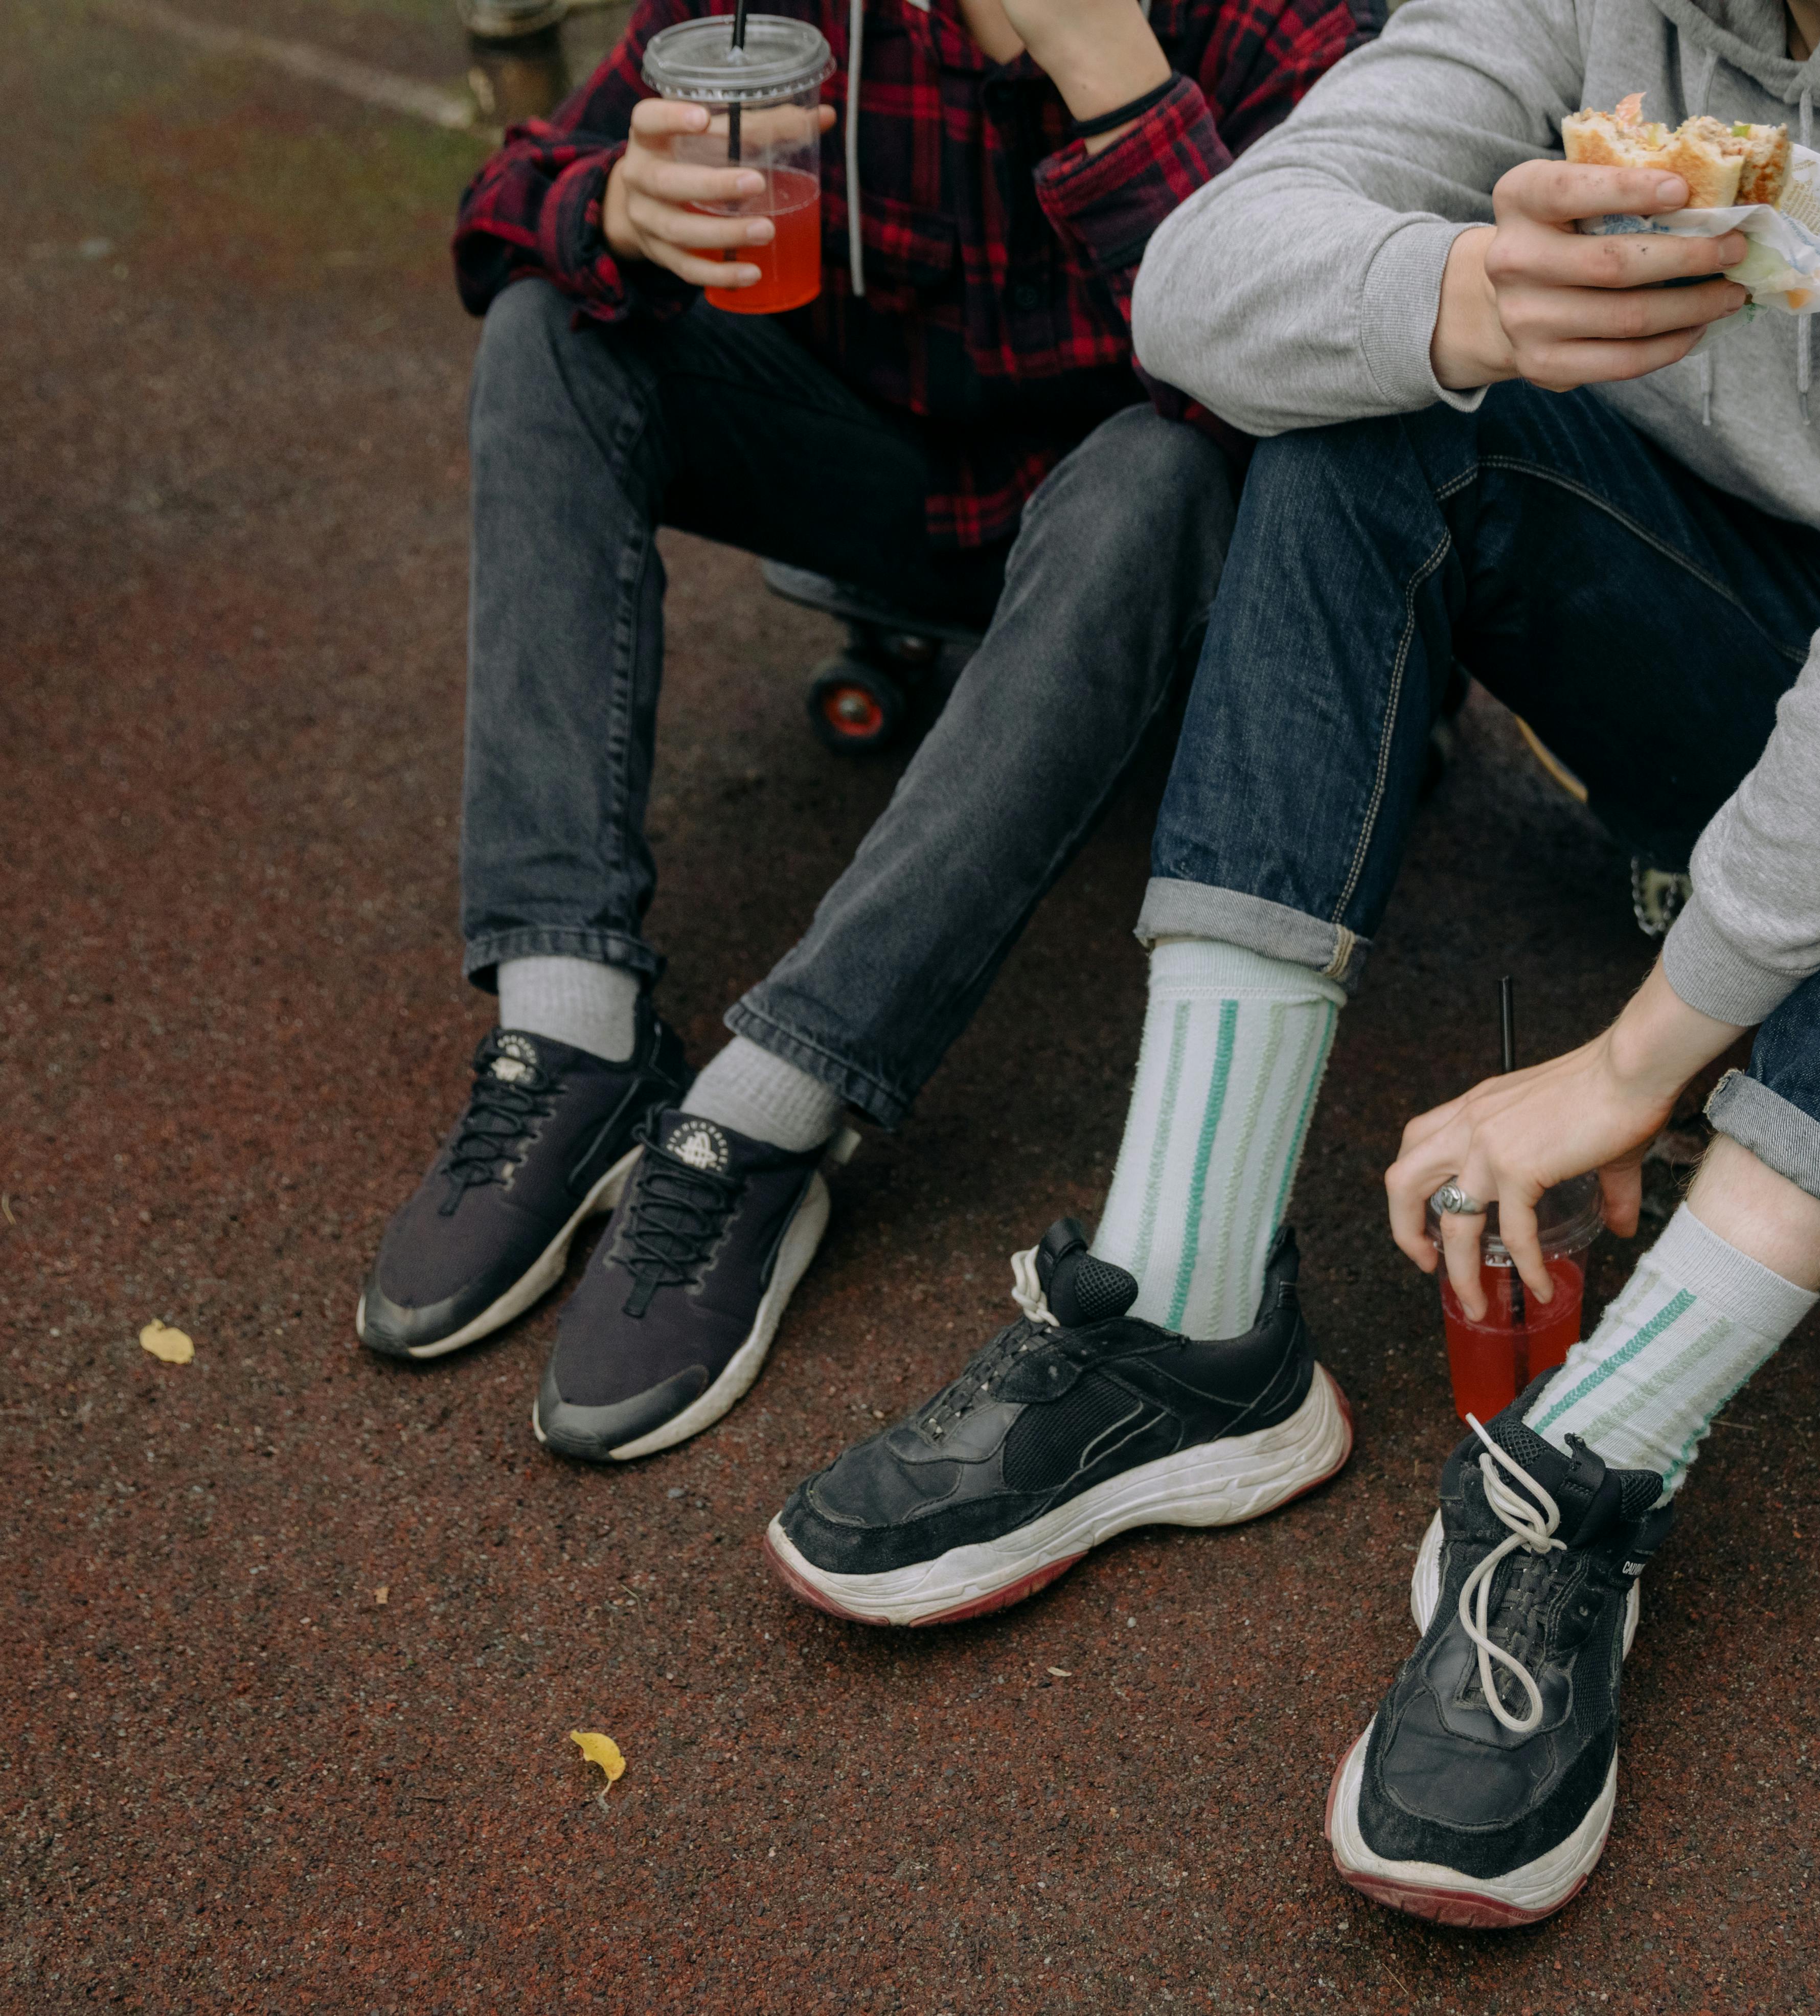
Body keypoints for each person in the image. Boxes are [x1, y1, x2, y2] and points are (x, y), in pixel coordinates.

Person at [763, 0, 1820, 1928]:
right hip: (1760, 656)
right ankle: (1184, 1324)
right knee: (1353, 416)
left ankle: (1591, 1461)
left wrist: (1646, 1056)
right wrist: (1460, 298)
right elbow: (1202, 288)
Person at [356, 0, 1368, 1466]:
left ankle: (772, 1111)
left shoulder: (1275, 17)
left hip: (1146, 517)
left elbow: (1312, 364)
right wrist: (613, 207)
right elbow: (508, 207)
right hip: (869, 469)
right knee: (551, 322)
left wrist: (1105, 73)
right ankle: (567, 1029)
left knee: (1162, 474)